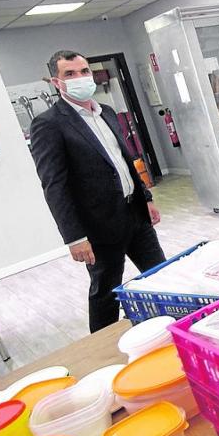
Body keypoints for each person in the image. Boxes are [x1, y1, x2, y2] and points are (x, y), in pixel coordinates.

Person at [30, 50, 166, 332]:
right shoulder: (49, 124)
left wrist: (146, 198)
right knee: (106, 292)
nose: (80, 78)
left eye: (84, 71)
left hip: (135, 213)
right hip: (99, 227)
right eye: (70, 74)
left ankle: (175, 326)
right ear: (56, 82)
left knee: (163, 274)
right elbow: (54, 185)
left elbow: (125, 162)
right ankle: (101, 346)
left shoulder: (107, 112)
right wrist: (74, 238)